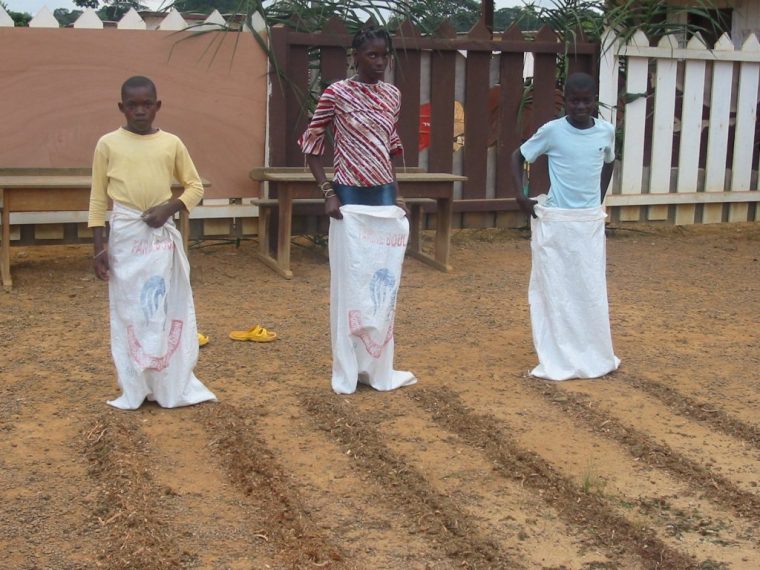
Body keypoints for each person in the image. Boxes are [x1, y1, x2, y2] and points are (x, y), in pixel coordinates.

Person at [299, 26, 416, 395]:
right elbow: (311, 143)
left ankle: (377, 365)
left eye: (384, 55)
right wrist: (327, 192)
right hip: (348, 195)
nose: (379, 62)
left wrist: (396, 195)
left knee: (382, 279)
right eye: (372, 55)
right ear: (355, 57)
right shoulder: (337, 93)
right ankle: (348, 367)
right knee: (351, 282)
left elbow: (388, 146)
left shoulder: (393, 95)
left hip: (382, 196)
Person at [88, 75, 217, 409]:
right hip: (126, 237)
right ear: (122, 107)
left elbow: (195, 186)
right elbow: (98, 200)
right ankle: (134, 384)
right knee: (130, 310)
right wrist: (98, 247)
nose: (140, 111)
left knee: (160, 307)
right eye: (132, 105)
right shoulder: (107, 144)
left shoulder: (171, 143)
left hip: (159, 238)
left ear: (157, 106)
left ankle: (166, 382)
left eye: (147, 104)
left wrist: (169, 208)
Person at [510, 72, 621, 381]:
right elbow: (517, 156)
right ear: (565, 101)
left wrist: (599, 196)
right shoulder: (553, 132)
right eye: (574, 101)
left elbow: (610, 160)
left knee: (589, 287)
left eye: (586, 101)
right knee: (557, 288)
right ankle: (560, 352)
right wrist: (520, 196)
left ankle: (593, 350)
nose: (580, 107)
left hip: (588, 222)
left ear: (594, 102)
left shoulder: (606, 132)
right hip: (558, 220)